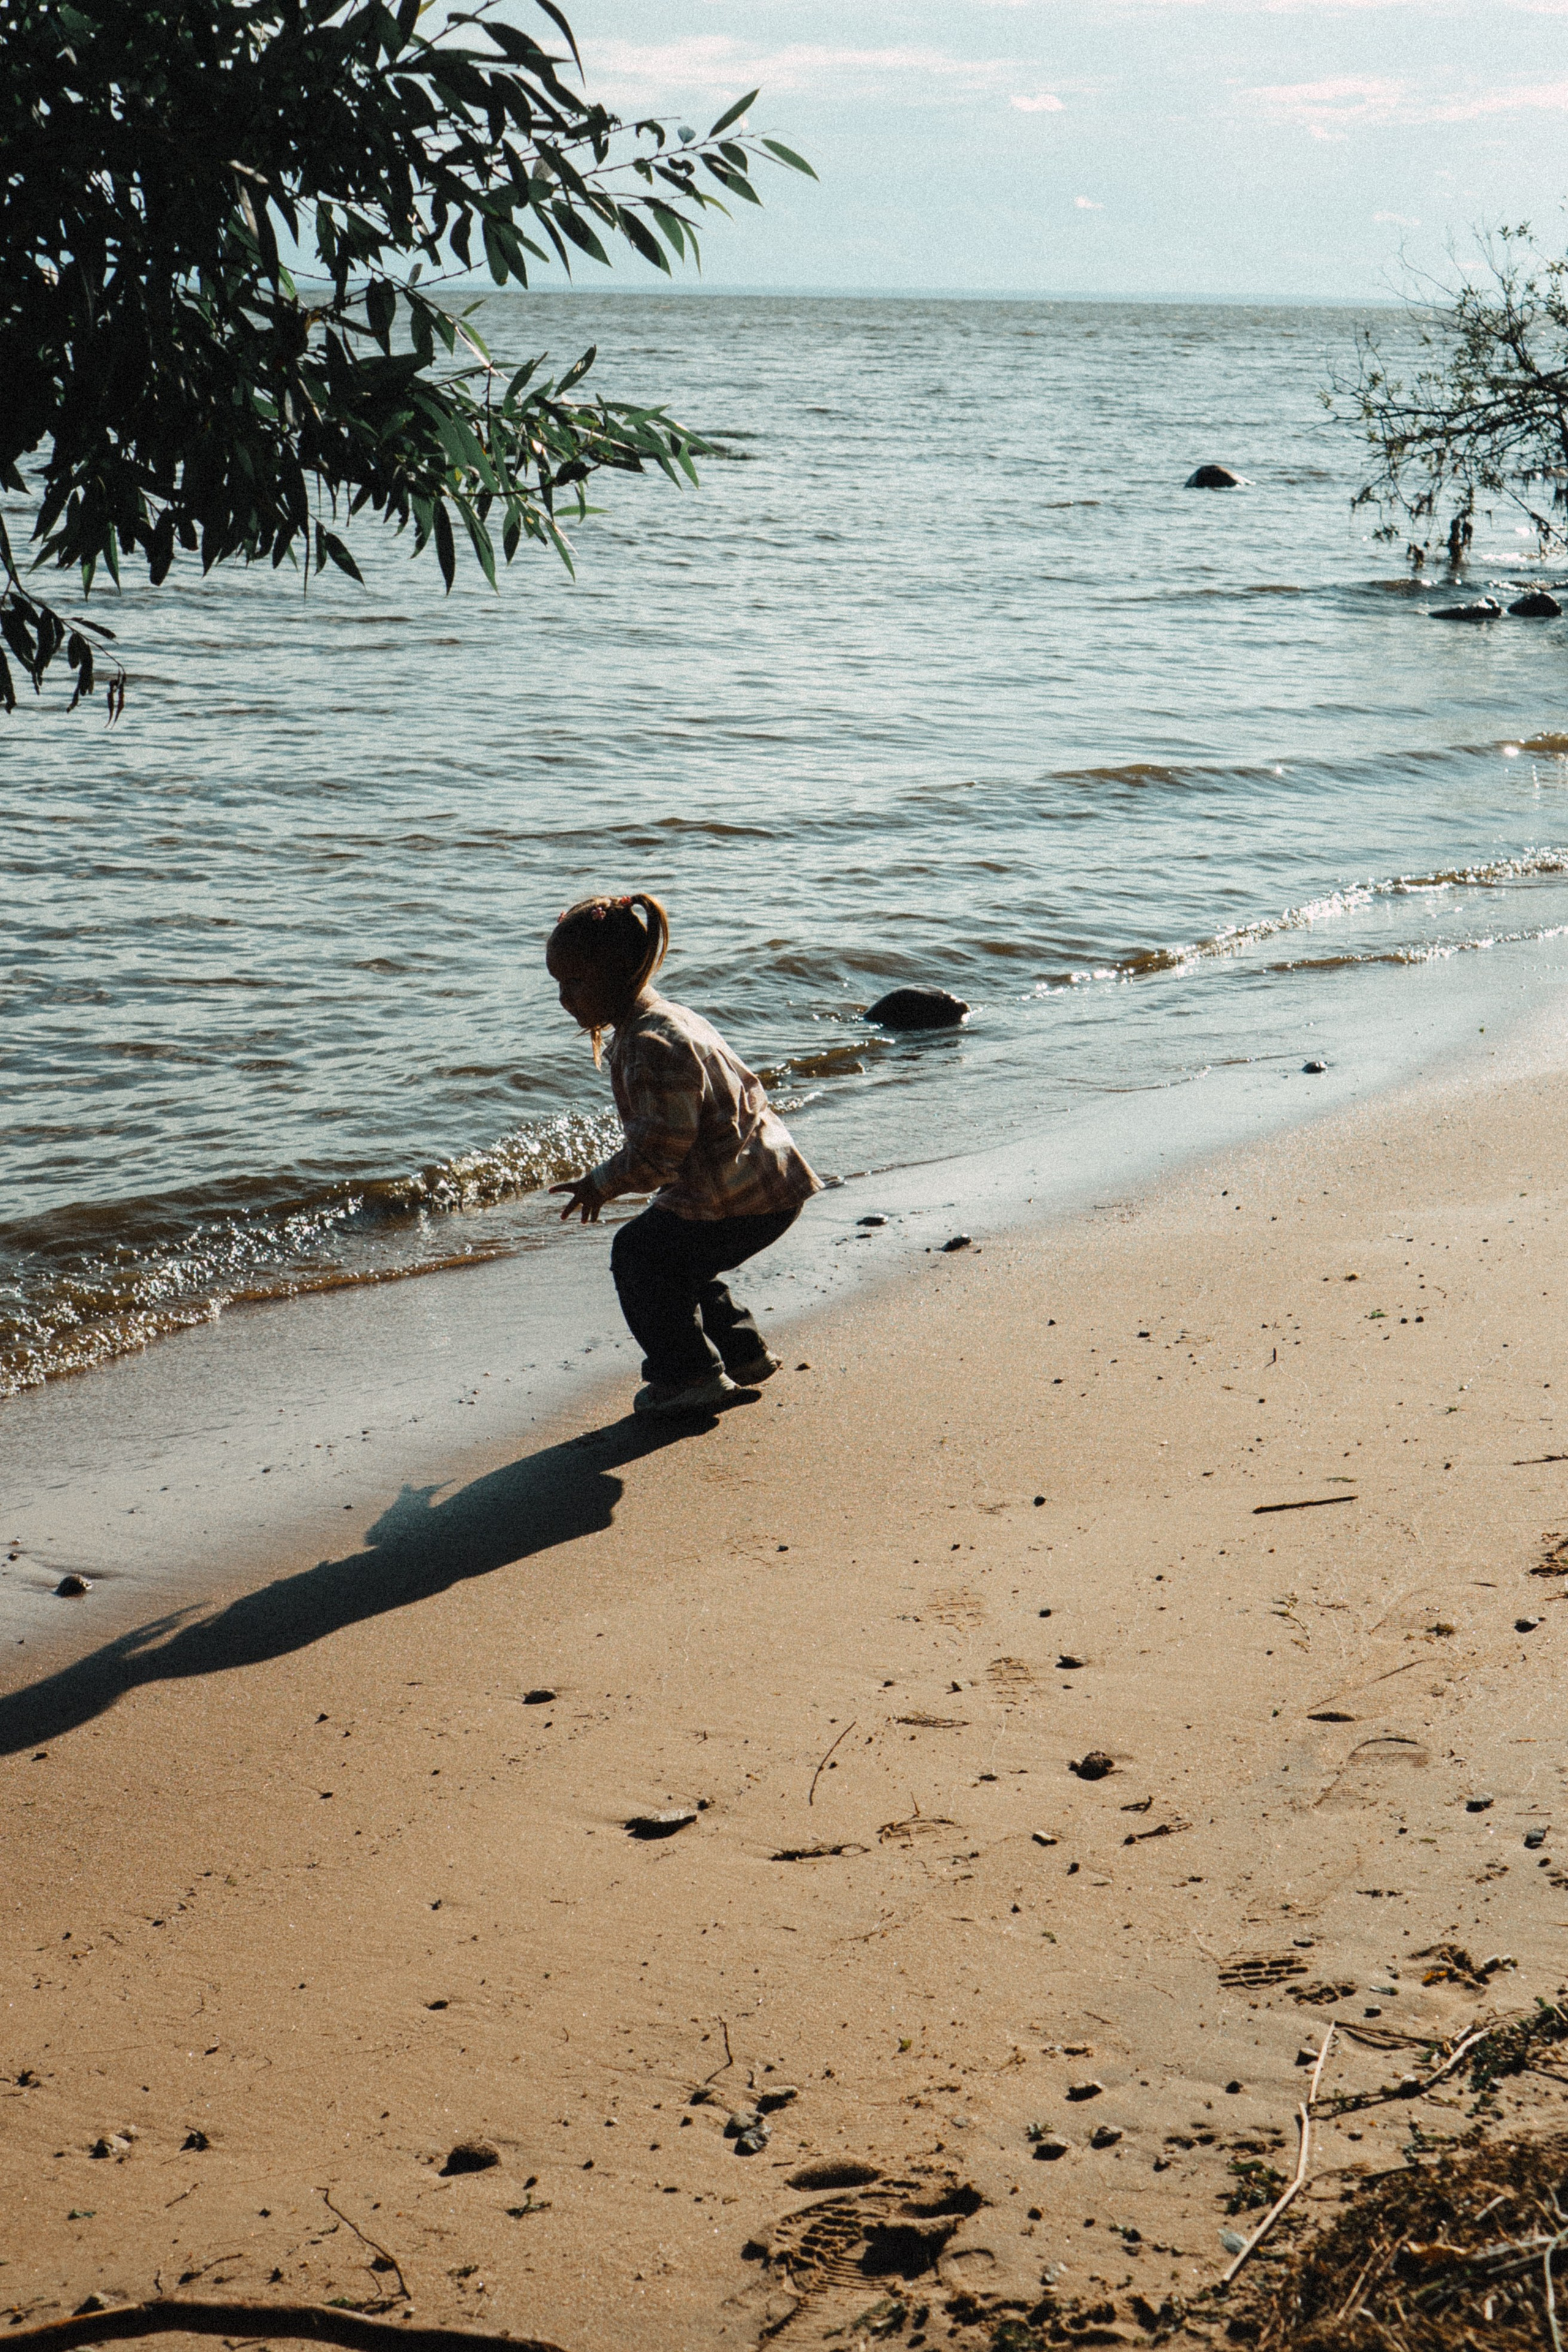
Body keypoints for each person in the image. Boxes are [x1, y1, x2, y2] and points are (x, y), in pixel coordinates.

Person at [546, 891, 821, 1417]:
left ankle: (689, 1376)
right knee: (679, 1255)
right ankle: (743, 1354)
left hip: (740, 1195)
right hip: (764, 1182)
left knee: (639, 1255)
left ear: (624, 970)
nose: (565, 998)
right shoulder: (668, 1018)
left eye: (576, 982)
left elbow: (657, 1159)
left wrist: (600, 1183)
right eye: (558, 984)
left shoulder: (651, 1044)